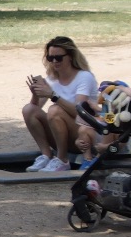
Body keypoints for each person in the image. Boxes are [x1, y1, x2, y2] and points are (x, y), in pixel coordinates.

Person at [20, 37, 97, 172]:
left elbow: (81, 113)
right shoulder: (52, 79)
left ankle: (62, 159)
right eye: (51, 58)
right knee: (28, 109)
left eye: (59, 58)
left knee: (55, 110)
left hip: (84, 135)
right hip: (62, 135)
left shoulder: (84, 77)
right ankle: (46, 155)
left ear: (70, 56)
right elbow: (34, 110)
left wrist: (53, 95)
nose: (54, 61)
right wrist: (35, 94)